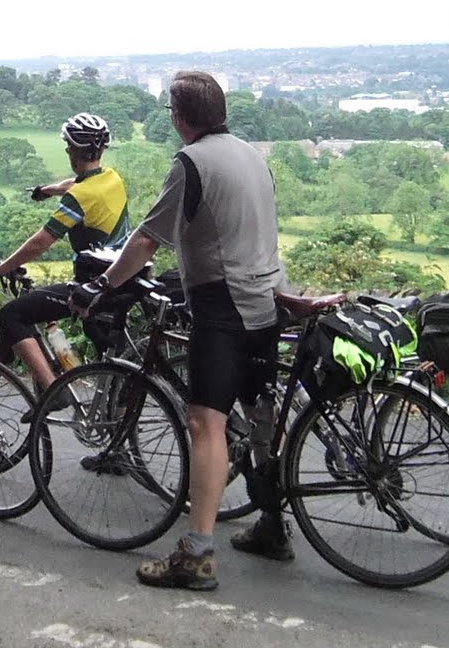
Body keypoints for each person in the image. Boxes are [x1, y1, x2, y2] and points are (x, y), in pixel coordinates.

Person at [70, 71, 288, 592]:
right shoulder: (251, 153)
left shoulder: (192, 162)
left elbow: (148, 239)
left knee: (205, 423)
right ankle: (273, 526)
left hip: (223, 302)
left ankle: (196, 555)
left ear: (179, 116)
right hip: (268, 297)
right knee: (259, 413)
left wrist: (101, 285)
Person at [0, 112, 130, 398]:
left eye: (68, 145)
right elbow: (76, 184)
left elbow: (41, 242)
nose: (66, 149)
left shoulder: (80, 198)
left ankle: (54, 392)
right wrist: (45, 190)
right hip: (121, 277)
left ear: (74, 149)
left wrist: (3, 268)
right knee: (110, 356)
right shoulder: (112, 179)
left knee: (11, 314)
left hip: (91, 286)